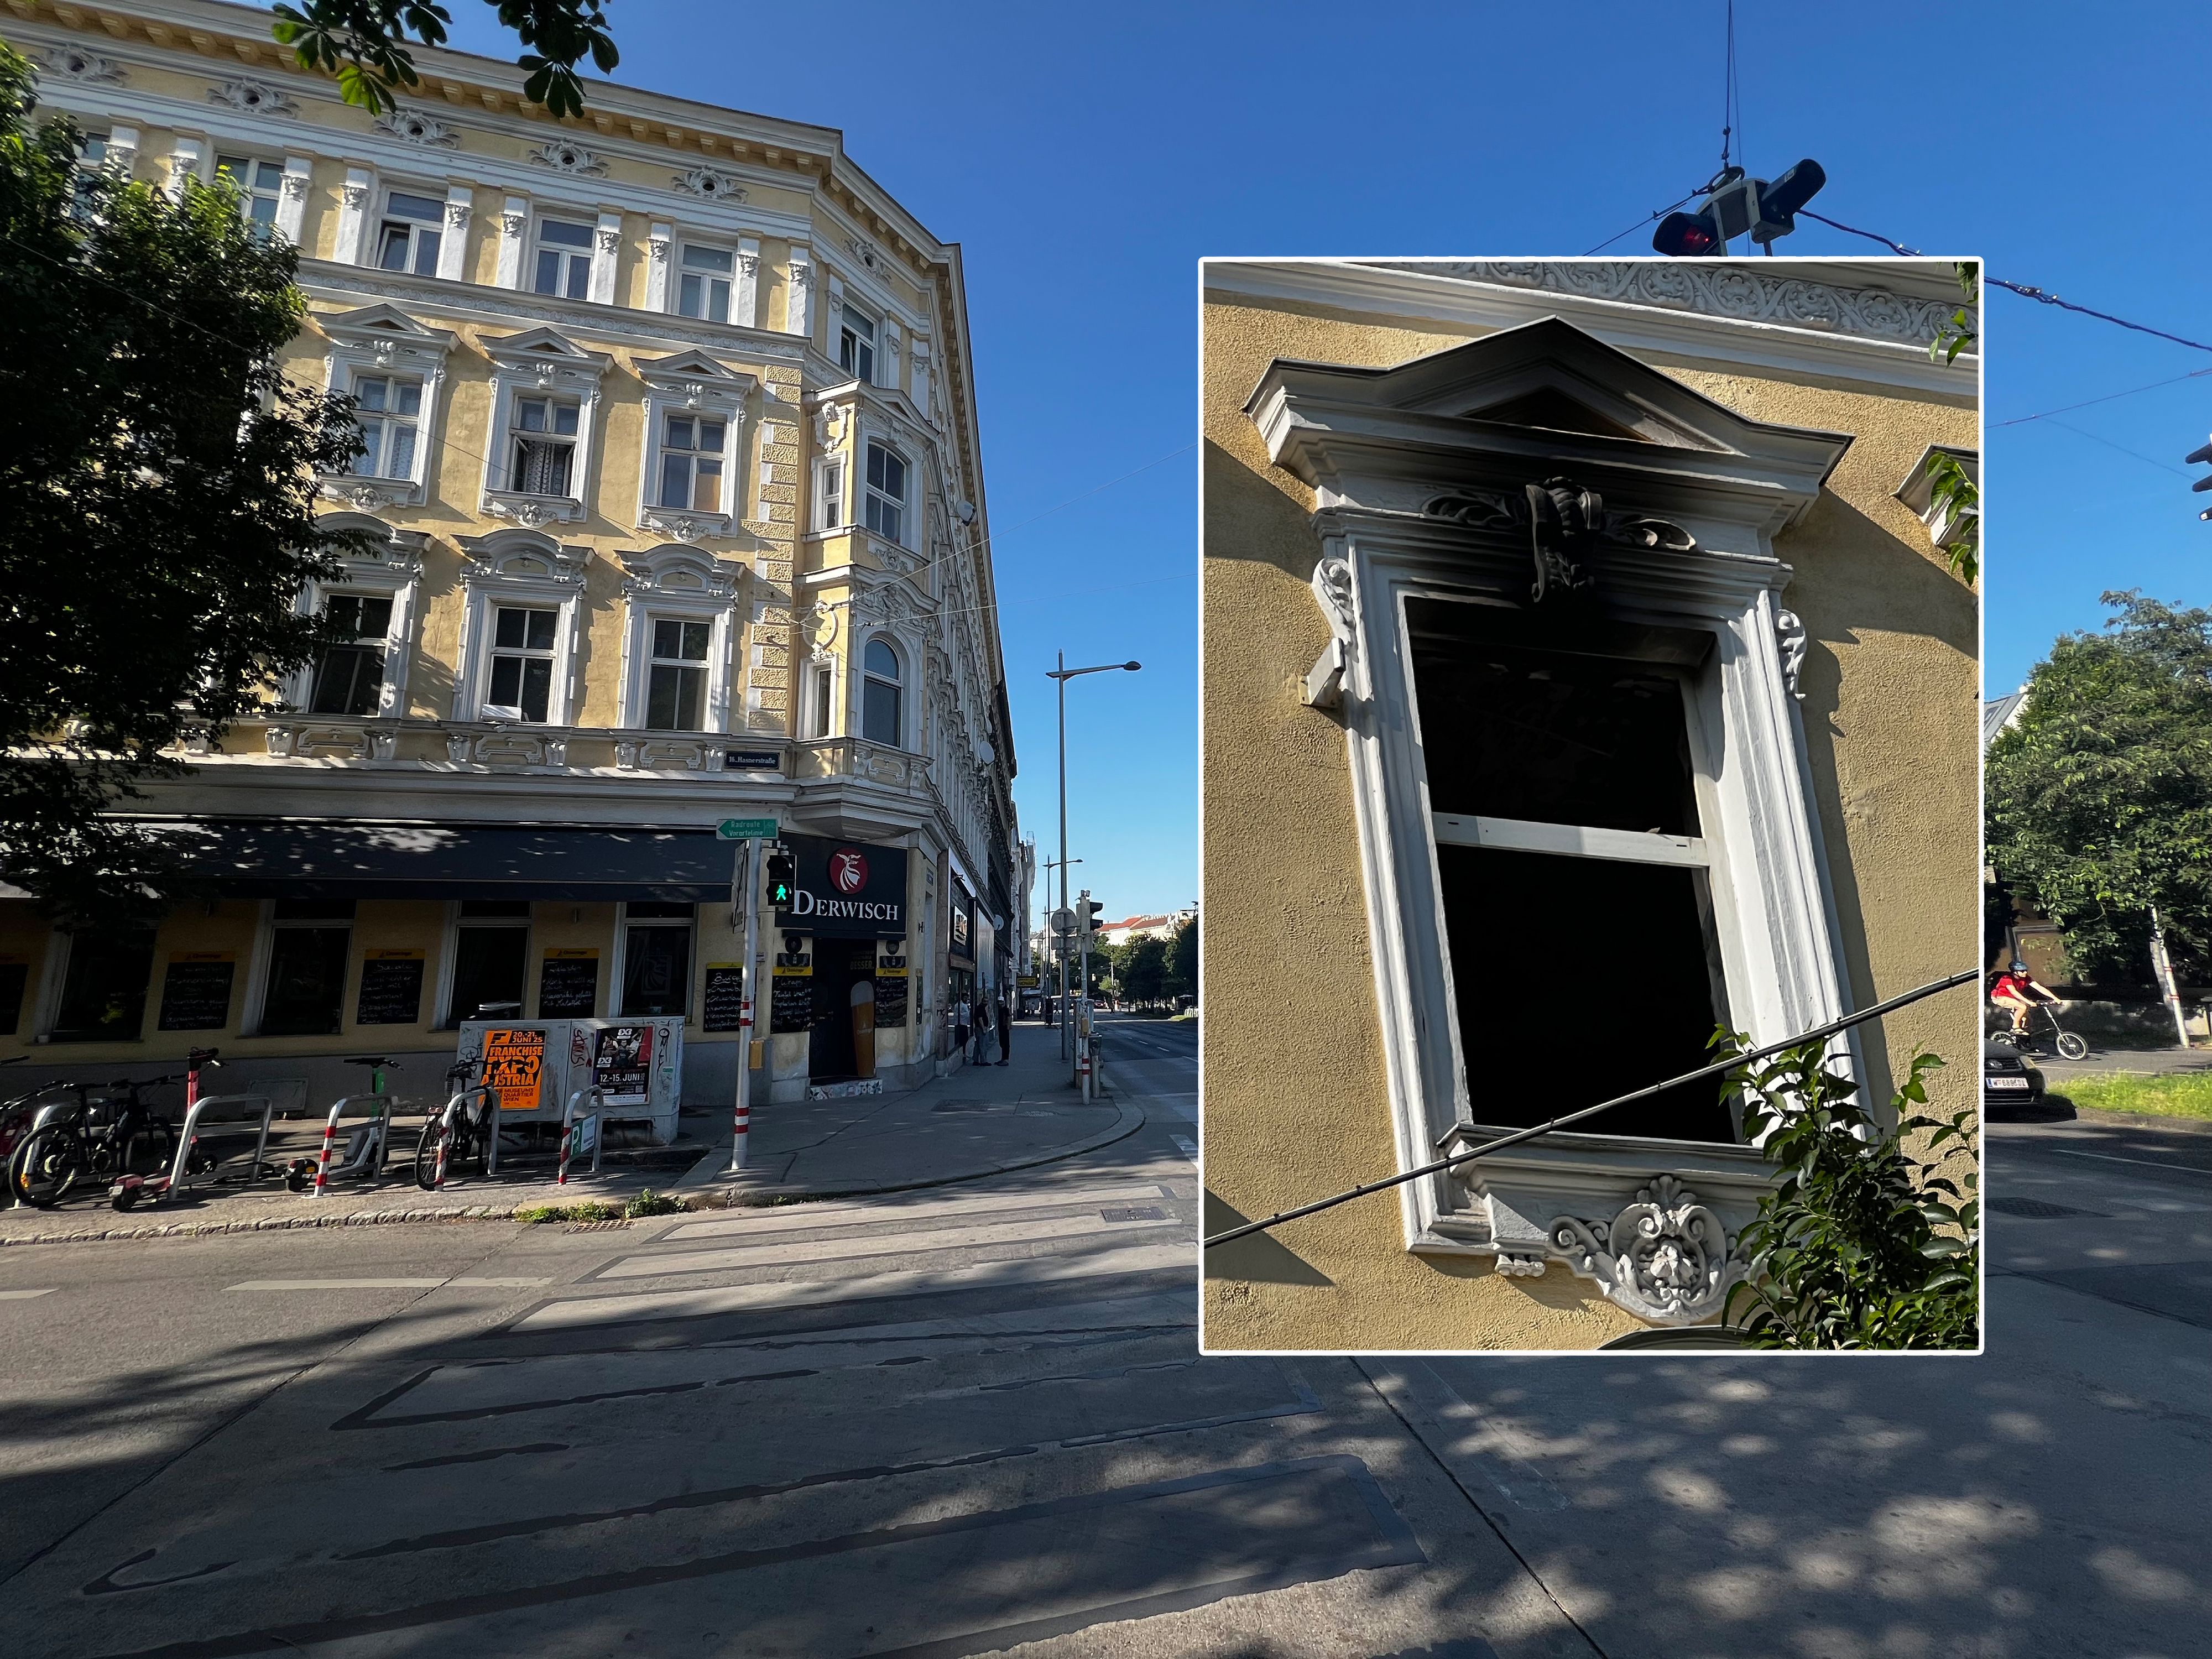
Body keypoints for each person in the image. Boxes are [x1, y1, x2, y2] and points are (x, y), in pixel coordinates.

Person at [1990, 959, 2058, 1038]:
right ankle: (2015, 1027)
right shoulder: (2006, 979)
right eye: (2022, 971)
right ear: (2015, 972)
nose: (2025, 972)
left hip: (2013, 998)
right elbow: (2014, 992)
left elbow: (2039, 988)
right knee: (2022, 1007)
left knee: (2027, 1017)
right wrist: (2028, 1002)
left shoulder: (2026, 978)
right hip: (2000, 997)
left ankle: (2024, 1039)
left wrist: (2055, 998)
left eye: (2025, 970)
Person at [971, 995, 993, 1065]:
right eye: (985, 1001)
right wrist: (984, 1029)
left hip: (979, 1028)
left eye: (987, 1002)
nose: (986, 1003)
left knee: (978, 1045)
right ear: (982, 1001)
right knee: (983, 1045)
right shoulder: (980, 1008)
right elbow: (980, 1019)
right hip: (980, 1029)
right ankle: (983, 1061)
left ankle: (976, 1060)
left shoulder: (982, 1008)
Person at [996, 993, 1012, 1065]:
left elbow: (1009, 1017)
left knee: (1006, 1044)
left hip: (1005, 1028)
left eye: (1001, 1002)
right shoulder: (998, 1010)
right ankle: (1003, 1059)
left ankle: (1006, 1060)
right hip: (1000, 1028)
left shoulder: (1006, 1009)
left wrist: (1008, 1027)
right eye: (999, 1002)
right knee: (1002, 1044)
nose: (1000, 1003)